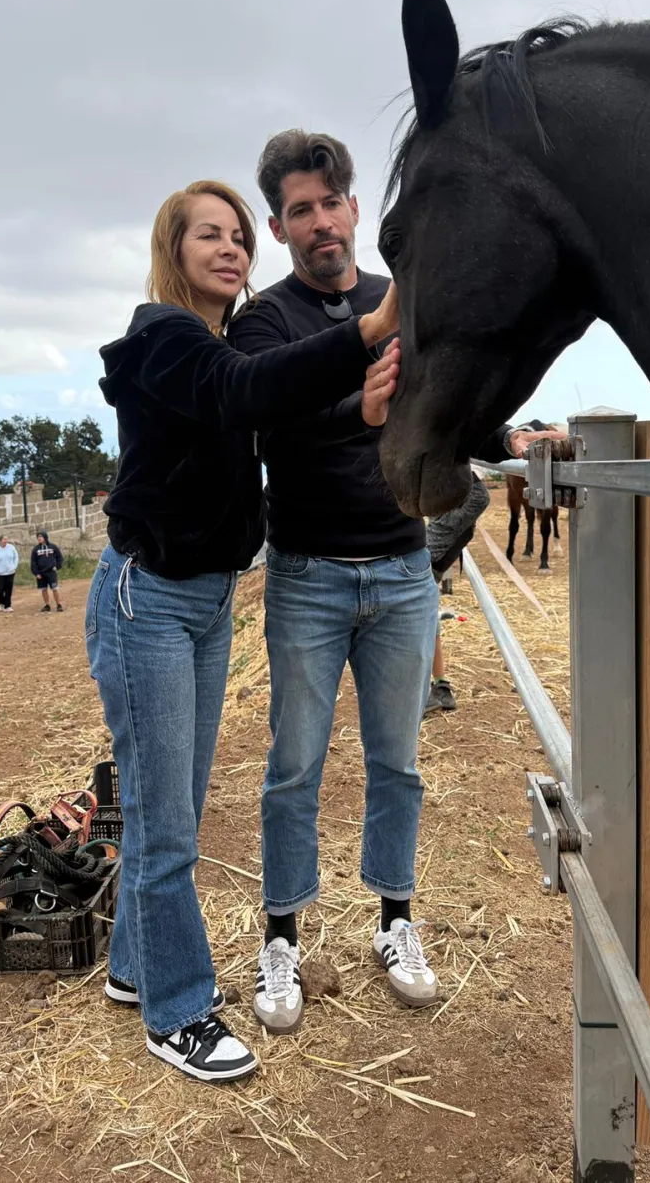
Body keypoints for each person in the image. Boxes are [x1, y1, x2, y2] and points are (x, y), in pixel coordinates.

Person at [86, 178, 398, 1084]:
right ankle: (179, 1012)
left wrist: (361, 410)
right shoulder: (164, 336)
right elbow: (247, 389)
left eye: (237, 237)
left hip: (207, 600)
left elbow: (269, 405)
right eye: (208, 236)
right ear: (172, 250)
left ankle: (136, 968)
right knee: (166, 822)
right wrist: (372, 329)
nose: (230, 249)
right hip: (149, 598)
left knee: (171, 805)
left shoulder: (217, 347)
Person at [226, 131, 440, 1035]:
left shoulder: (404, 298)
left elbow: (446, 400)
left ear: (355, 209)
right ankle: (282, 935)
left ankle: (395, 921)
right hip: (308, 575)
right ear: (278, 228)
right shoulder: (262, 322)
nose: (320, 222)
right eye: (299, 210)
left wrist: (516, 438)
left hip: (403, 569)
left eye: (330, 203)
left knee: (398, 764)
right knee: (294, 769)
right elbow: (271, 428)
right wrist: (363, 407)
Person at [423, 473, 492, 714]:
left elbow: (479, 497)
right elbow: (479, 497)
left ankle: (431, 689)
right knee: (427, 628)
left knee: (426, 628)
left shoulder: (446, 516)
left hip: (425, 571)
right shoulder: (449, 517)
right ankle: (435, 688)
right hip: (427, 571)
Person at [31, 531, 64, 612]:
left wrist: (57, 566)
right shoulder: (36, 549)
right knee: (44, 589)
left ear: (45, 537)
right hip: (41, 573)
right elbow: (33, 562)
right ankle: (47, 605)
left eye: (40, 536)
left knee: (54, 588)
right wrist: (36, 573)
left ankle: (59, 605)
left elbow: (60, 557)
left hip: (51, 572)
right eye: (38, 537)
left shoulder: (53, 547)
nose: (39, 538)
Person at [0, 534, 18, 612]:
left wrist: (14, 566)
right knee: (0, 589)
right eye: (4, 539)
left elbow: (16, 557)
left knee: (8, 589)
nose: (6, 541)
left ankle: (7, 606)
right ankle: (1, 603)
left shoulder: (11, 547)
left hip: (10, 572)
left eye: (7, 539)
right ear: (0, 541)